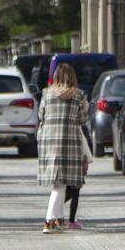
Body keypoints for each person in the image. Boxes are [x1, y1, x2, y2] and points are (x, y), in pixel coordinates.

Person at [37, 63, 89, 234]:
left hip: (49, 142)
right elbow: (82, 119)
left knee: (59, 182)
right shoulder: (78, 95)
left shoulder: (46, 94)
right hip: (70, 142)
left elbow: (41, 115)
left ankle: (59, 219)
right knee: (60, 184)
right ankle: (48, 220)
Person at [65, 126, 93, 230]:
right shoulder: (78, 129)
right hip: (76, 163)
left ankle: (54, 213)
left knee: (67, 192)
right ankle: (71, 221)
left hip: (64, 163)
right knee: (75, 193)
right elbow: (84, 147)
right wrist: (85, 159)